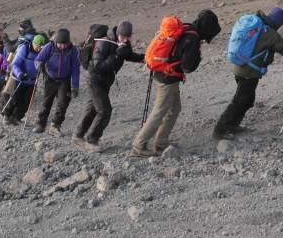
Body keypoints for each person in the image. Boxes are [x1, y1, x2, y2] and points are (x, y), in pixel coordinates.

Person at [131, 10, 221, 157]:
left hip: (164, 74)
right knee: (160, 111)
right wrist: (197, 58)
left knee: (174, 109)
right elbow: (188, 67)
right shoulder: (192, 39)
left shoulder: (187, 29)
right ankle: (139, 145)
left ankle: (161, 142)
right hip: (168, 78)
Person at [212, 8, 283, 140]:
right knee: (240, 100)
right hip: (249, 71)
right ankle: (220, 130)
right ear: (279, 23)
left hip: (240, 67)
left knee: (247, 100)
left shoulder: (257, 25)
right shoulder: (269, 33)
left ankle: (232, 125)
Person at [75, 21, 144, 152]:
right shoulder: (104, 43)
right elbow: (97, 67)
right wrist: (117, 54)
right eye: (124, 36)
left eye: (128, 36)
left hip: (105, 81)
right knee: (105, 110)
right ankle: (91, 140)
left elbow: (127, 55)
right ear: (118, 33)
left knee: (93, 109)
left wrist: (143, 58)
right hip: (95, 79)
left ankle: (78, 136)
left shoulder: (122, 43)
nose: (126, 39)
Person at [33, 28, 80, 136]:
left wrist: (75, 87)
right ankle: (40, 124)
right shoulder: (49, 47)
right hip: (50, 79)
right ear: (56, 41)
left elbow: (75, 70)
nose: (62, 46)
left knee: (63, 104)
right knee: (46, 103)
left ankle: (55, 126)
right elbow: (38, 59)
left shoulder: (73, 51)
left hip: (65, 81)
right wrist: (39, 65)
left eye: (65, 44)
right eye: (60, 44)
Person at [2, 34, 46, 124]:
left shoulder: (42, 53)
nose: (39, 49)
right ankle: (7, 116)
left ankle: (17, 117)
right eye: (38, 46)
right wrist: (20, 74)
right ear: (34, 43)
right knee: (14, 98)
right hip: (20, 79)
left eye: (41, 47)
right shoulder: (24, 49)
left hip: (32, 81)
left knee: (26, 101)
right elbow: (15, 64)